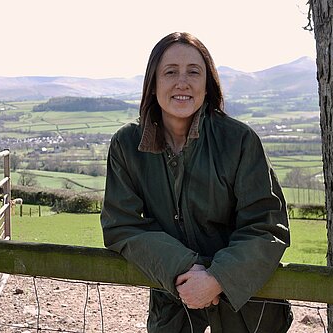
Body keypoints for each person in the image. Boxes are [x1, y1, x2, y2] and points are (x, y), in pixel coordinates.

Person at [100, 32, 293, 333]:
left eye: (193, 71)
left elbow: (267, 225)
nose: (182, 82)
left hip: (247, 313)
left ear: (207, 84)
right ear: (153, 84)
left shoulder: (239, 141)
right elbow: (120, 224)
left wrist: (218, 279)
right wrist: (184, 268)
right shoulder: (127, 145)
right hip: (174, 309)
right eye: (170, 72)